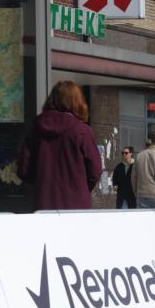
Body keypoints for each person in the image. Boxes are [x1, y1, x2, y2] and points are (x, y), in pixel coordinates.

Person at [18, 82, 102, 211]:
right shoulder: (82, 131)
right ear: (78, 102)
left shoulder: (36, 129)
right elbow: (95, 170)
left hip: (43, 204)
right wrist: (80, 188)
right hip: (77, 205)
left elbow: (24, 169)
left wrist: (42, 183)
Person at [131, 129, 155, 209]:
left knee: (142, 220)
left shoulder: (139, 155)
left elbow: (133, 177)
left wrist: (136, 192)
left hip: (141, 195)